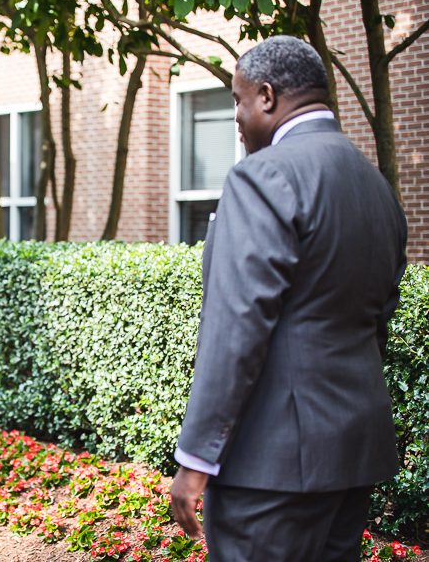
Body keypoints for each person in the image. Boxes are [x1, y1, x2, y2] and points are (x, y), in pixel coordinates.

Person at [170, 36, 408, 561]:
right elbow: (380, 313)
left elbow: (236, 326)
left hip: (271, 464)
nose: (235, 115)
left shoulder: (263, 176)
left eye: (238, 99)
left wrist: (196, 458)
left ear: (268, 96)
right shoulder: (377, 188)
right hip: (353, 453)